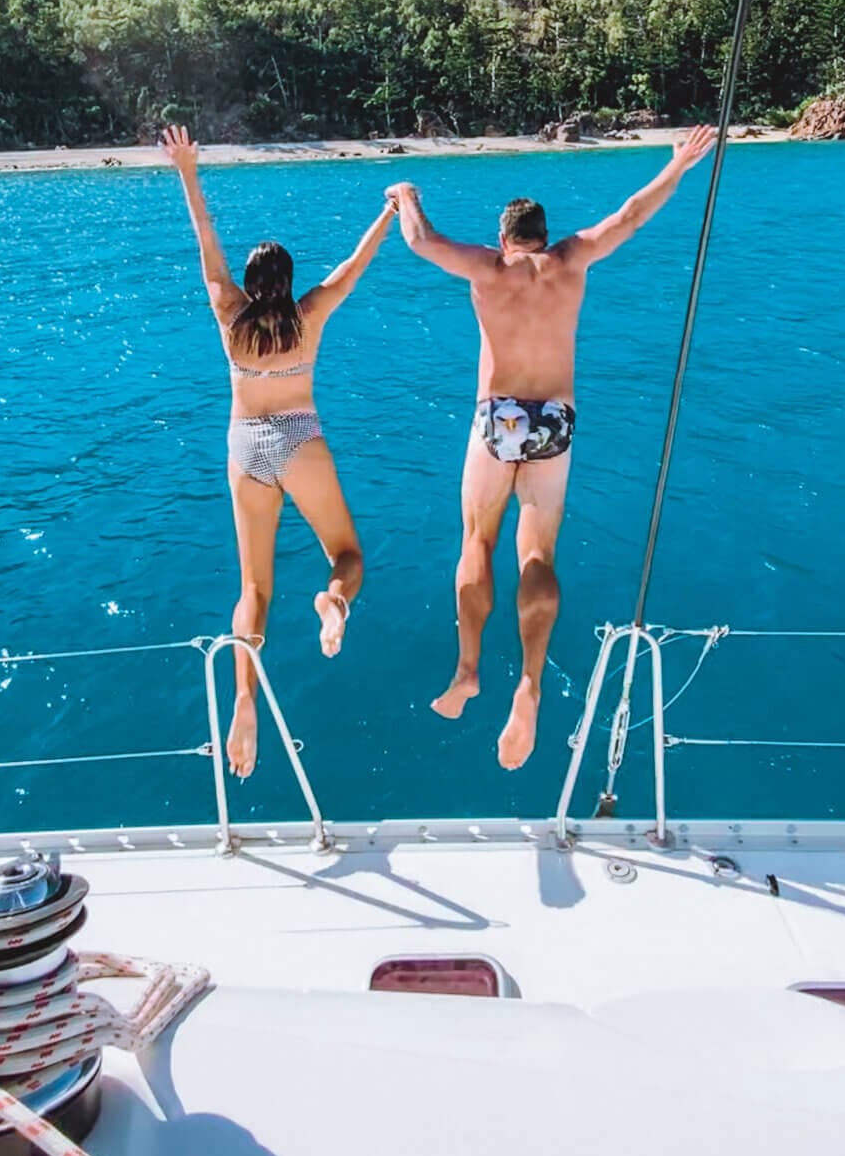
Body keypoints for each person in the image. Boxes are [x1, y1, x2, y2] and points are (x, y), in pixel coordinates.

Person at [385, 125, 717, 770]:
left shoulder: (488, 267)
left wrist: (406, 192)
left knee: (477, 542)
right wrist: (677, 165)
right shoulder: (571, 261)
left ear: (505, 238)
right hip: (555, 419)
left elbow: (421, 240)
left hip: (498, 414)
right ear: (544, 234)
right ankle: (531, 683)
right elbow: (631, 215)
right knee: (537, 553)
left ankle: (469, 669)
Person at [162, 125, 395, 778]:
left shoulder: (227, 314)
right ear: (289, 281)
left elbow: (206, 237)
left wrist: (187, 168)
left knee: (254, 588)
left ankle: (244, 698)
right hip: (299, 439)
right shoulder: (311, 314)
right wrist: (389, 211)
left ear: (248, 279)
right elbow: (353, 266)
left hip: (245, 447)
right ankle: (334, 602)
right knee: (347, 557)